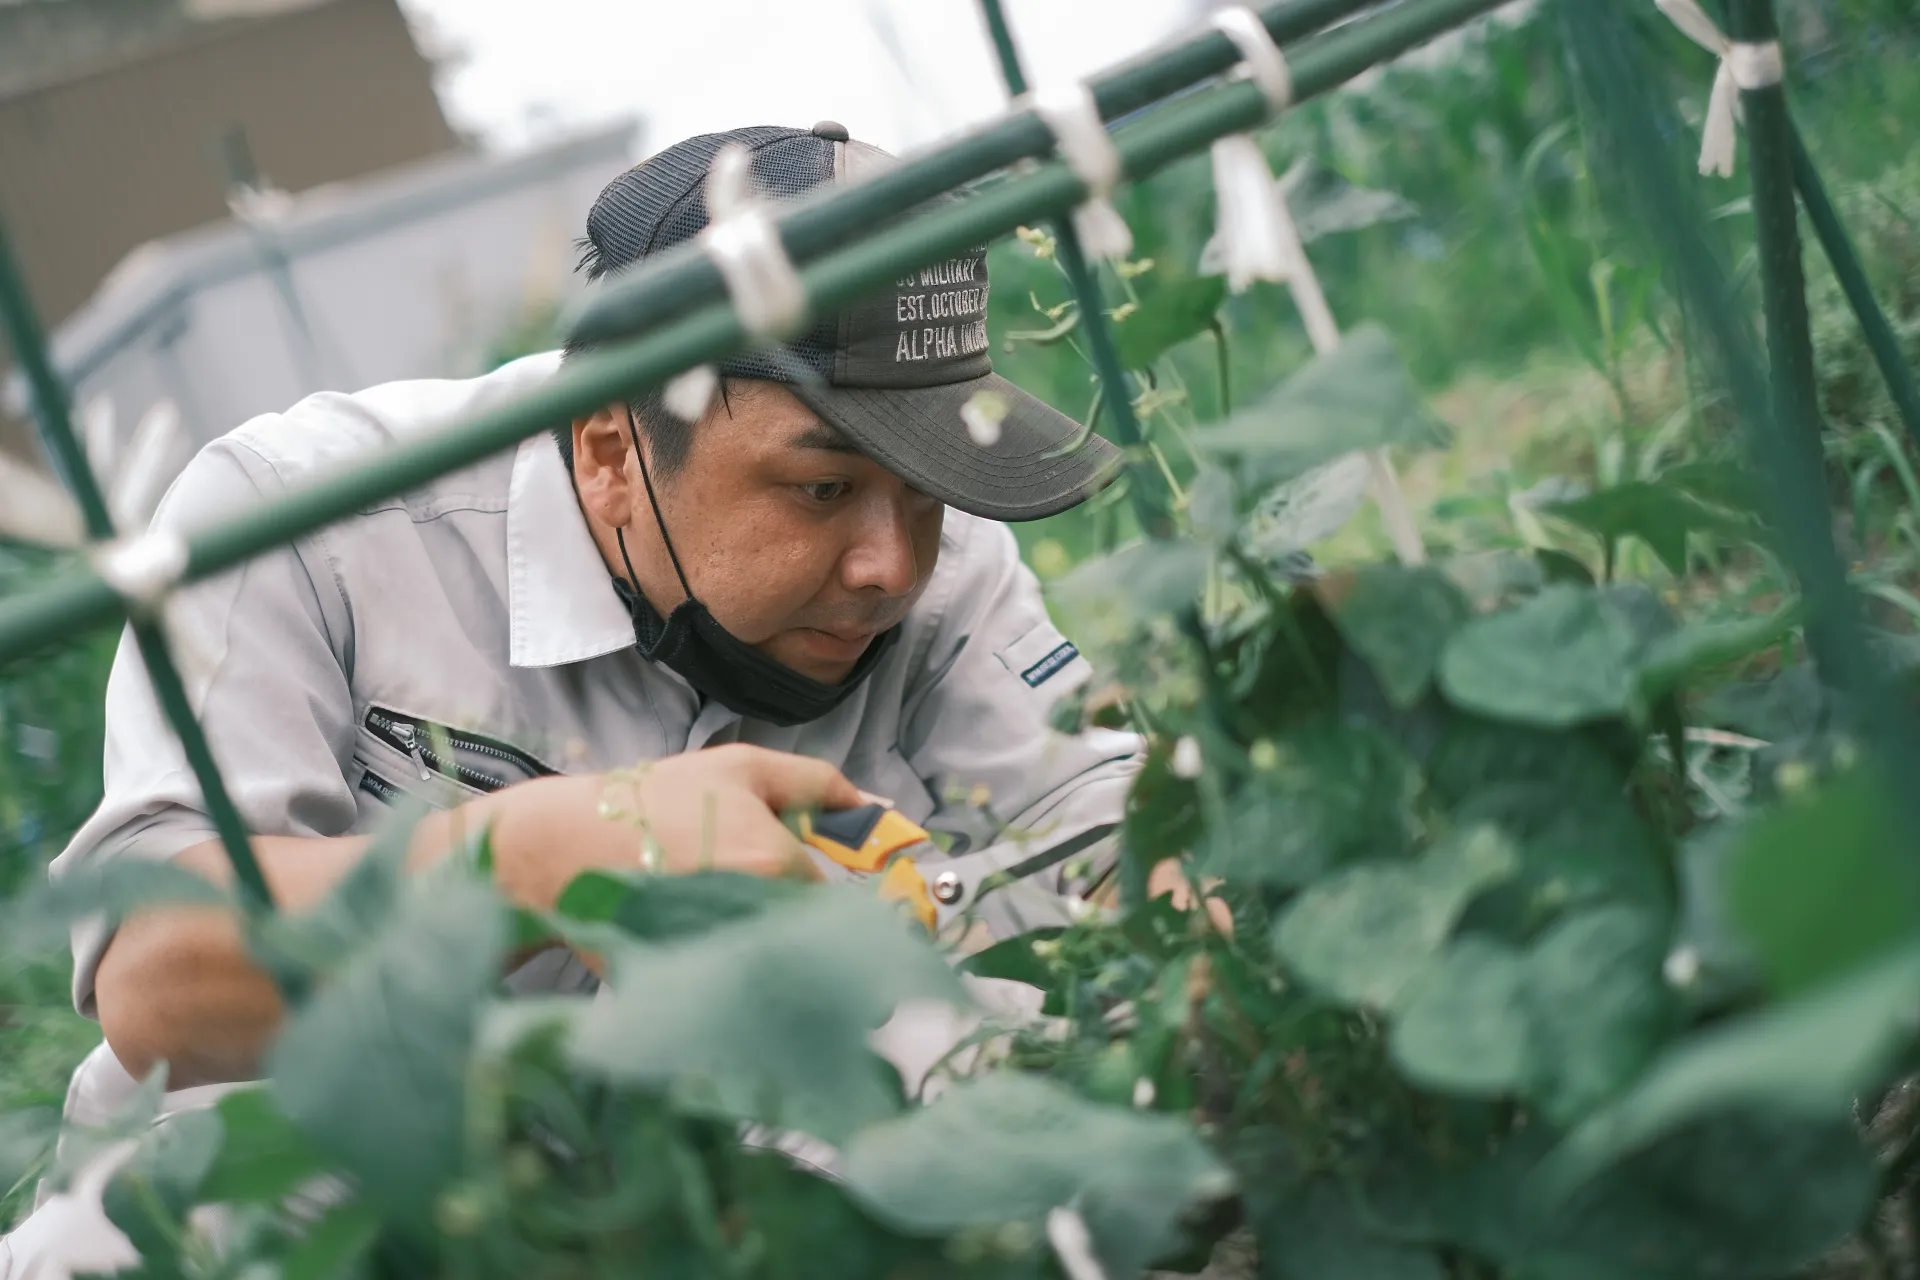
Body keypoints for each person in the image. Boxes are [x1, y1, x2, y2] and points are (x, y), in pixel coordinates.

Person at [31, 119, 1144, 1138]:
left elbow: (1097, 830)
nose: (890, 563)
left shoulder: (940, 568)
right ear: (610, 449)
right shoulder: (308, 525)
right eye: (819, 489)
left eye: (924, 488)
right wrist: (558, 852)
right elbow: (158, 978)